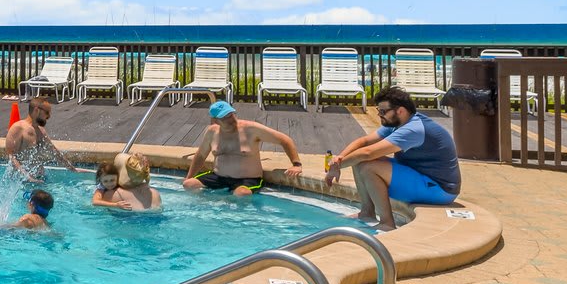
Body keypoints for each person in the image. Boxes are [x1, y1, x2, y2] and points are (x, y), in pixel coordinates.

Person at [327, 88, 461, 229]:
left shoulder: (413, 129)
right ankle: (367, 212)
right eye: (379, 110)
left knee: (368, 167)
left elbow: (368, 153)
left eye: (383, 112)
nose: (379, 115)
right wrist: (339, 158)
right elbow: (365, 142)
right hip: (420, 176)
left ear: (400, 111)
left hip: (440, 189)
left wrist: (336, 167)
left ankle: (387, 223)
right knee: (359, 160)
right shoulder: (398, 123)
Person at [182, 101, 304, 196]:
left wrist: (296, 164)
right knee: (188, 184)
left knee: (242, 194)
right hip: (219, 177)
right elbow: (201, 155)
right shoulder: (211, 132)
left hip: (247, 179)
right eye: (225, 117)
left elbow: (285, 140)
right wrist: (189, 176)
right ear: (215, 120)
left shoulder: (250, 129)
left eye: (231, 115)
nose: (231, 120)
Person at [5, 93, 58, 187]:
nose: (49, 116)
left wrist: (73, 169)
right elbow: (11, 157)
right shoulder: (18, 128)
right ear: (37, 110)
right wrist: (28, 178)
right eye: (47, 112)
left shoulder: (41, 131)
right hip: (22, 182)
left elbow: (54, 151)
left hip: (40, 179)